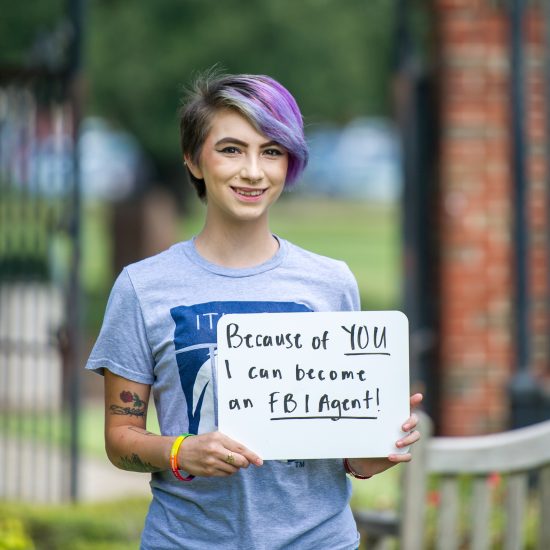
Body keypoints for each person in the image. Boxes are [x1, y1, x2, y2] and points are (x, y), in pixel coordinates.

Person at [86, 71, 422, 550]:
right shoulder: (142, 287)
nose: (253, 171)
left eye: (271, 151)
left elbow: (345, 455)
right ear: (193, 159)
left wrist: (376, 448)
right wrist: (181, 451)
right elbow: (121, 439)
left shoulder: (331, 283)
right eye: (230, 149)